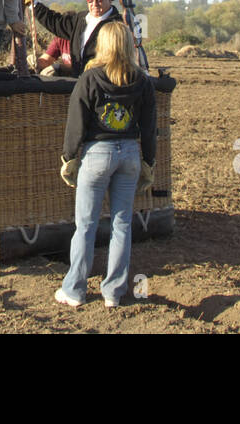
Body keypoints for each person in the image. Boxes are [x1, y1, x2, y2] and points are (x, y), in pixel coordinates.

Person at [56, 20, 156, 308]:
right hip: (129, 154)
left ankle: (74, 291)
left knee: (86, 225)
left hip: (96, 154)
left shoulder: (90, 78)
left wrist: (68, 157)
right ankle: (113, 292)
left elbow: (76, 121)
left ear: (103, 45)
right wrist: (148, 162)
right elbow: (149, 127)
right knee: (122, 224)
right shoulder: (143, 81)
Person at [32, 0, 123, 77]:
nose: (94, 4)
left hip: (103, 83)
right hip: (80, 83)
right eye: (90, 1)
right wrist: (33, 5)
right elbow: (55, 22)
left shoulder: (117, 26)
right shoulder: (80, 19)